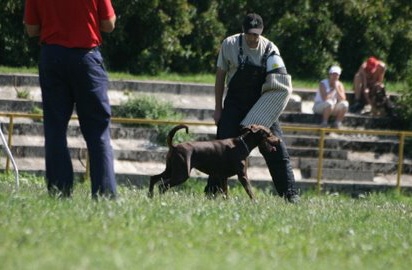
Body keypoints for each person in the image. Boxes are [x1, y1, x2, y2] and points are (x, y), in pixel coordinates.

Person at [24, 0, 117, 199]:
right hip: (86, 58)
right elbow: (109, 24)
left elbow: (31, 29)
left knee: (55, 129)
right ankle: (104, 194)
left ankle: (60, 191)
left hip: (53, 57)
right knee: (98, 130)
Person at [204, 13, 299, 203]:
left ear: (261, 32)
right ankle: (213, 192)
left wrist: (268, 110)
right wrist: (218, 108)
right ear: (243, 31)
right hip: (234, 103)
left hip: (262, 104)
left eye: (256, 34)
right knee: (222, 148)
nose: (252, 38)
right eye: (249, 34)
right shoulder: (229, 44)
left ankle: (290, 194)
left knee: (277, 150)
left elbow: (281, 83)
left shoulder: (270, 49)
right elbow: (220, 77)